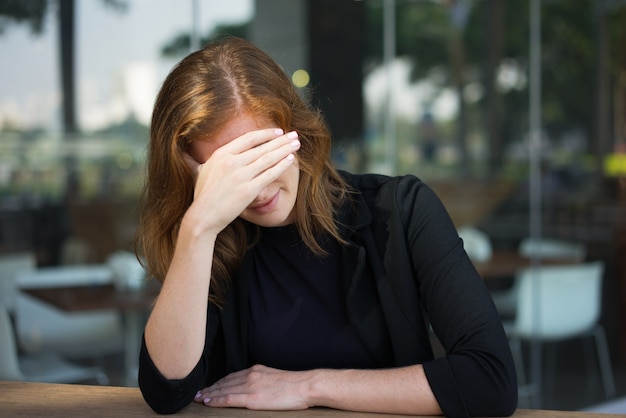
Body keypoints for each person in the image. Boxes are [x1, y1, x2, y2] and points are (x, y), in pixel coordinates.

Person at [136, 36, 517, 418]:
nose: (259, 188)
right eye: (232, 174)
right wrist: (199, 226)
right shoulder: (212, 240)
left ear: (295, 133)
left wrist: (309, 386)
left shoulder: (401, 210)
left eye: (262, 157)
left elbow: (488, 381)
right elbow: (167, 392)